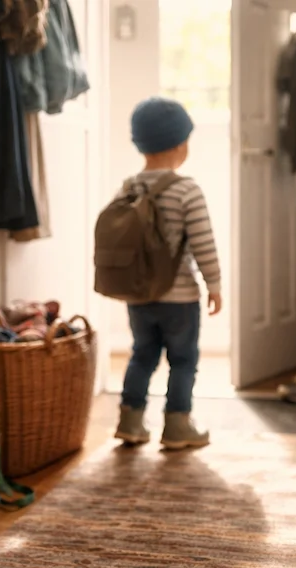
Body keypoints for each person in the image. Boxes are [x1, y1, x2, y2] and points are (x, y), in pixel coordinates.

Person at [113, 97, 223, 451]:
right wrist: (214, 284)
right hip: (179, 300)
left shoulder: (128, 187)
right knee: (183, 360)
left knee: (141, 354)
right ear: (180, 144)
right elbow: (204, 244)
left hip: (139, 296)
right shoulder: (186, 191)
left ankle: (129, 421)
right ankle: (177, 424)